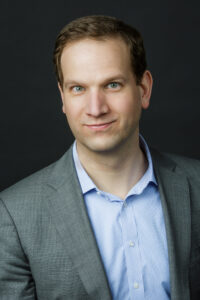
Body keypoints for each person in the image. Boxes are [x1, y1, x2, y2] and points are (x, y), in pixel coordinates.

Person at [0, 15, 199, 300]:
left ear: (144, 89)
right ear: (63, 97)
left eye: (112, 85)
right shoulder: (13, 216)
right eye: (78, 88)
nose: (95, 108)